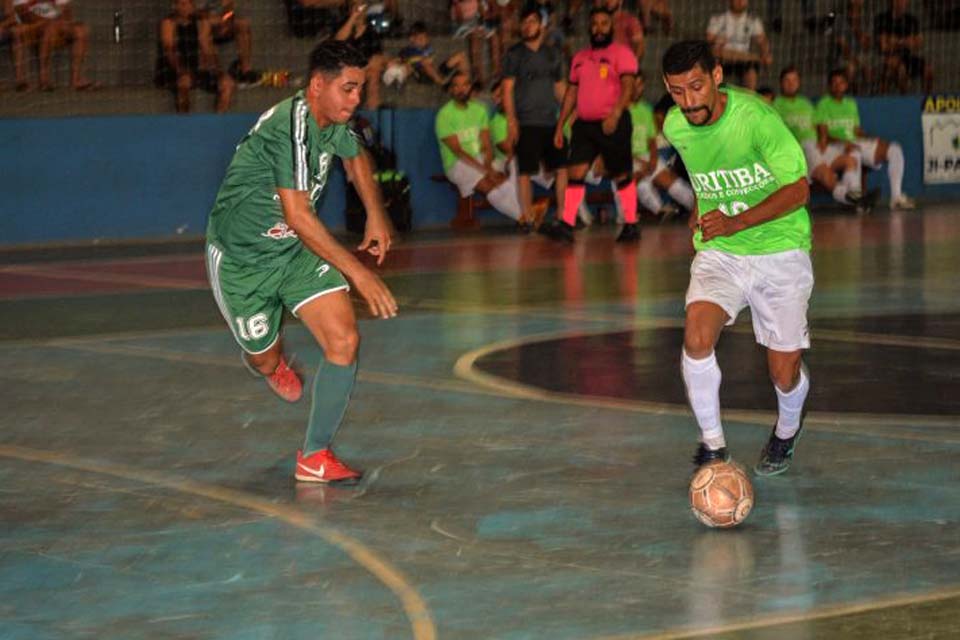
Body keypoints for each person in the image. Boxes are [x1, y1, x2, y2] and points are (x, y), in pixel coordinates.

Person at [205, 40, 398, 483]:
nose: (357, 99)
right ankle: (270, 361)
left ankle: (314, 454)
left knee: (344, 341)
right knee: (265, 362)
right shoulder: (286, 128)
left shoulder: (331, 121)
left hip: (294, 252)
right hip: (243, 262)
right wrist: (359, 273)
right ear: (317, 85)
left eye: (360, 88)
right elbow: (299, 215)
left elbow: (356, 160)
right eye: (348, 89)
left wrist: (375, 212)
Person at [661, 40, 813, 476]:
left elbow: (800, 191)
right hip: (721, 253)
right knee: (696, 337)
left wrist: (736, 221)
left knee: (784, 373)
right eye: (677, 91)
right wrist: (700, 212)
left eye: (695, 87)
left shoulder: (757, 119)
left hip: (780, 249)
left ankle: (787, 429)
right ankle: (713, 447)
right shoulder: (676, 126)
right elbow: (705, 177)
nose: (688, 102)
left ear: (717, 76)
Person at [547, 7, 639, 243]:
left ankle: (631, 223)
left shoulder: (623, 53)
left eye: (603, 23)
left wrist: (616, 114)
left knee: (621, 173)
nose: (598, 28)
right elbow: (571, 93)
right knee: (575, 171)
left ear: (612, 27)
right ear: (589, 28)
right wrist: (560, 126)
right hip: (584, 125)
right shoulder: (579, 57)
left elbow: (628, 87)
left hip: (613, 122)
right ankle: (567, 224)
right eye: (594, 24)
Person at [502, 3, 568, 231]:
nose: (528, 26)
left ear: (542, 25)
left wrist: (572, 113)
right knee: (525, 172)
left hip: (551, 123)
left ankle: (562, 218)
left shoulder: (554, 54)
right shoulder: (514, 54)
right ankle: (528, 219)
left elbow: (561, 89)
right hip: (526, 122)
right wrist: (512, 122)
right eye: (525, 22)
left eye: (532, 21)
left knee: (561, 168)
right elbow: (507, 90)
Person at [774, 66, 876, 212]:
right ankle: (854, 200)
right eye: (787, 80)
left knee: (851, 159)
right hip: (800, 149)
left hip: (817, 146)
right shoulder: (776, 105)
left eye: (794, 80)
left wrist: (827, 141)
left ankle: (854, 199)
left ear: (799, 82)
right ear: (780, 83)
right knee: (822, 171)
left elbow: (819, 128)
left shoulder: (806, 104)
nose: (791, 83)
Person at [815, 68, 915, 210]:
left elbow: (856, 131)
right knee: (854, 153)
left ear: (846, 85)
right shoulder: (823, 104)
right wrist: (844, 143)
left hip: (854, 142)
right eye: (834, 83)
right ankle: (858, 202)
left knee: (894, 149)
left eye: (841, 82)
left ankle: (896, 197)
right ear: (829, 86)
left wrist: (872, 138)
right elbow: (824, 135)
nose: (838, 86)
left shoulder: (850, 104)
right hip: (837, 146)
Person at [435, 72, 524, 223]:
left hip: (481, 159)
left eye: (465, 85)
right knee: (489, 185)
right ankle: (524, 218)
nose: (461, 89)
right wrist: (485, 170)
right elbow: (458, 151)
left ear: (470, 87)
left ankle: (526, 215)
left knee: (506, 176)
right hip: (457, 163)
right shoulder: (444, 115)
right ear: (451, 89)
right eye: (456, 86)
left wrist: (488, 164)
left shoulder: (479, 110)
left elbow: (487, 144)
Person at [624, 71, 695, 219]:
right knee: (640, 183)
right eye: (634, 85)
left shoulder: (644, 109)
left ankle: (703, 211)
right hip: (626, 158)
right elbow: (617, 145)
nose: (638, 89)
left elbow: (651, 139)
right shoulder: (619, 111)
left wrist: (653, 159)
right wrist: (640, 162)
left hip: (647, 156)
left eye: (640, 85)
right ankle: (659, 211)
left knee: (675, 185)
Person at [156, 0, 236, 113]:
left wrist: (217, 71)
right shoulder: (168, 23)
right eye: (181, 4)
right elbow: (169, 50)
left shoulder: (200, 23)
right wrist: (181, 70)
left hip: (196, 71)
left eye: (187, 4)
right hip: (172, 71)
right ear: (175, 6)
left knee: (227, 83)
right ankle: (184, 122)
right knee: (184, 82)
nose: (184, 7)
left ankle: (219, 121)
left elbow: (208, 48)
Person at [12, 0, 97, 91]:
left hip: (55, 25)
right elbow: (23, 13)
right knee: (48, 29)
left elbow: (66, 11)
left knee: (81, 31)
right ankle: (44, 80)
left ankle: (76, 80)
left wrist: (64, 23)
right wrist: (47, 22)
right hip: (32, 27)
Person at [705, 0, 772, 91]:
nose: (740, 1)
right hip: (723, 59)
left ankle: (749, 98)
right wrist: (717, 41)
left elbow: (762, 40)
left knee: (751, 70)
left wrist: (766, 53)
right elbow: (709, 40)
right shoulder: (718, 18)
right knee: (716, 54)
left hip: (743, 62)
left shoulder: (752, 20)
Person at [335, 0, 389, 109]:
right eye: (355, 5)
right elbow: (338, 41)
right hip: (343, 71)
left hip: (364, 71)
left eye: (361, 5)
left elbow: (378, 56)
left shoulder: (372, 31)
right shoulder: (343, 25)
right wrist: (353, 18)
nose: (358, 8)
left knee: (374, 72)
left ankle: (373, 111)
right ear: (350, 9)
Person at [386, 21, 469, 88]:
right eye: (420, 39)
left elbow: (432, 58)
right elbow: (399, 59)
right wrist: (393, 62)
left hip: (436, 70)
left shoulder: (428, 48)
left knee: (460, 56)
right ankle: (443, 84)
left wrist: (429, 59)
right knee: (424, 63)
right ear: (412, 39)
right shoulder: (408, 51)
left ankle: (466, 84)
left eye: (425, 38)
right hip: (422, 74)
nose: (423, 41)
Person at [875, 0, 933, 94]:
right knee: (901, 69)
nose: (902, 3)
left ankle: (925, 99)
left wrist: (896, 41)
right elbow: (884, 46)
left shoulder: (912, 20)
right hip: (888, 58)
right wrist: (907, 41)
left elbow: (918, 43)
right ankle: (904, 100)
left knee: (928, 69)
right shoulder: (882, 19)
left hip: (907, 57)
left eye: (904, 1)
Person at [198, 0, 259, 85]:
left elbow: (229, 8)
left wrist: (225, 20)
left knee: (242, 24)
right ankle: (216, 71)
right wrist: (211, 18)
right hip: (204, 23)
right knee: (205, 26)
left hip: (222, 21)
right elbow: (194, 12)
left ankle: (245, 69)